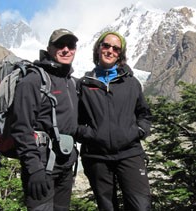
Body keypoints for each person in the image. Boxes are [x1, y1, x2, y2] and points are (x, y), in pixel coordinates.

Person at [76, 31, 152, 211]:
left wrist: (138, 131)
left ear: (120, 54)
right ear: (98, 48)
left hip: (130, 153)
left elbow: (144, 114)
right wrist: (89, 135)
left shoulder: (131, 83)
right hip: (96, 156)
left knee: (141, 206)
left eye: (115, 48)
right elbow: (75, 120)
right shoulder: (84, 84)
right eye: (106, 45)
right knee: (107, 207)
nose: (110, 50)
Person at [10, 28, 79, 211]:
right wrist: (34, 168)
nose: (66, 49)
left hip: (66, 165)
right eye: (60, 45)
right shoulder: (33, 80)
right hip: (42, 165)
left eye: (70, 45)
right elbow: (21, 127)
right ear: (49, 48)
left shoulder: (71, 83)